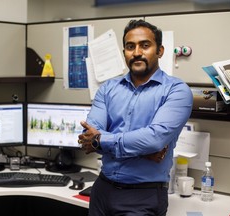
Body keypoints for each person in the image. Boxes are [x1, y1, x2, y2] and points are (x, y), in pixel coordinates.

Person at [78, 19, 193, 216]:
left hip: (143, 197)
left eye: (145, 45)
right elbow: (89, 135)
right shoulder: (107, 89)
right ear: (124, 52)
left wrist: (101, 140)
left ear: (160, 51)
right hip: (101, 190)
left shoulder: (176, 91)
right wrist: (142, 150)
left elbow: (154, 139)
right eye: (130, 47)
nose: (137, 52)